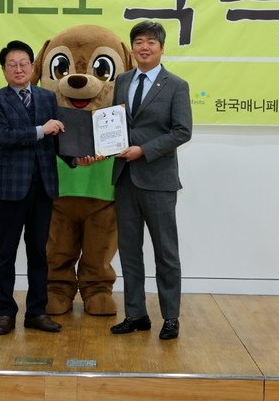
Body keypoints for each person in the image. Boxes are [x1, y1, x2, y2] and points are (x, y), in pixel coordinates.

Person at [109, 21, 193, 340]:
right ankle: (136, 314)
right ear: (132, 47)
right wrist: (107, 144)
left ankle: (170, 317)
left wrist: (144, 150)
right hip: (124, 178)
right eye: (139, 42)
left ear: (161, 48)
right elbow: (114, 123)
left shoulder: (176, 85)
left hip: (158, 179)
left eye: (151, 42)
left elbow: (182, 131)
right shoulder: (122, 80)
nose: (144, 47)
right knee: (129, 251)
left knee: (165, 253)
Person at [0, 39, 67, 335]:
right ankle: (5, 313)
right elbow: (4, 136)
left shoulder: (47, 97)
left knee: (39, 252)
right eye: (12, 65)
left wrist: (76, 158)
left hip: (43, 186)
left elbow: (57, 140)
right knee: (6, 253)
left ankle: (36, 312)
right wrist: (41, 130)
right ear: (4, 69)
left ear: (32, 67)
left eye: (23, 64)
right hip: (11, 188)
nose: (18, 69)